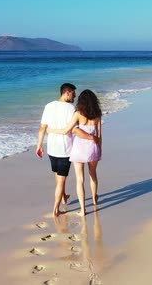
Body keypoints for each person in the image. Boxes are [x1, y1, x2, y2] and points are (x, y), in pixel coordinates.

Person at [36, 83, 97, 217]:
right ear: (67, 92)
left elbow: (42, 128)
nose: (75, 96)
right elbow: (75, 130)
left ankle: (64, 197)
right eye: (73, 93)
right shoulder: (71, 109)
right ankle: (56, 210)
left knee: (58, 177)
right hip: (66, 149)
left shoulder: (49, 106)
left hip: (51, 147)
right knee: (61, 180)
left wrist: (39, 145)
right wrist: (92, 137)